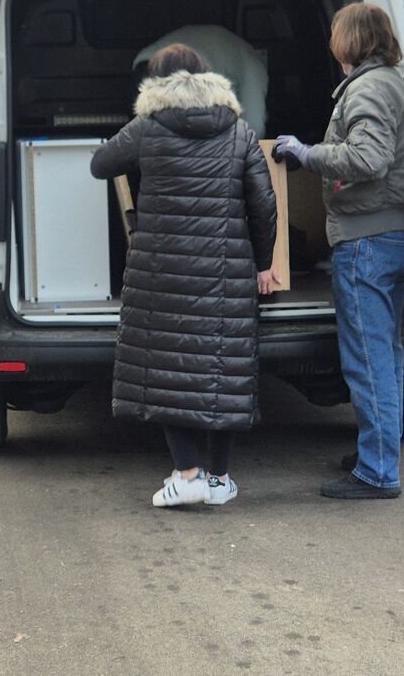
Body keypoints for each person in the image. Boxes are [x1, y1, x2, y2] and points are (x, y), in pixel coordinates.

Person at [90, 44, 278, 508]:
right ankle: (218, 480)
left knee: (170, 368)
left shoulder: (147, 129)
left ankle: (186, 473)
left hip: (162, 272)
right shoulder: (238, 130)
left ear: (155, 85)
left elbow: (101, 165)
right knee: (222, 371)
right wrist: (264, 263)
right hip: (226, 273)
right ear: (207, 78)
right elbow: (264, 203)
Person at [273, 2, 404, 501]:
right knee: (387, 351)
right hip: (390, 236)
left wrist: (304, 152)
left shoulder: (367, 89)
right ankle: (378, 451)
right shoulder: (390, 83)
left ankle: (378, 471)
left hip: (367, 240)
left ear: (349, 42)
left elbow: (368, 158)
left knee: (368, 357)